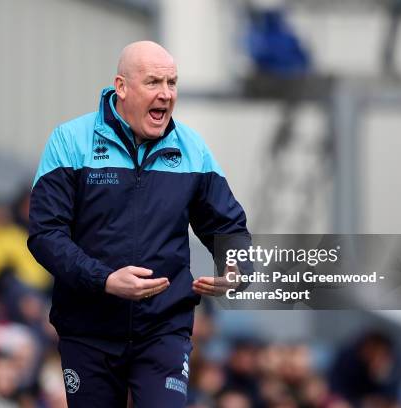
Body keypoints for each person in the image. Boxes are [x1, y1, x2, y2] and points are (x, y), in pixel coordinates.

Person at [28, 41, 250, 408]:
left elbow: (229, 227)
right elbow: (45, 235)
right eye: (153, 82)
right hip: (87, 329)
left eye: (172, 83)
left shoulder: (193, 149)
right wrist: (104, 280)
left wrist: (237, 268)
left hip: (164, 328)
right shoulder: (69, 141)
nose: (166, 94)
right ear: (121, 86)